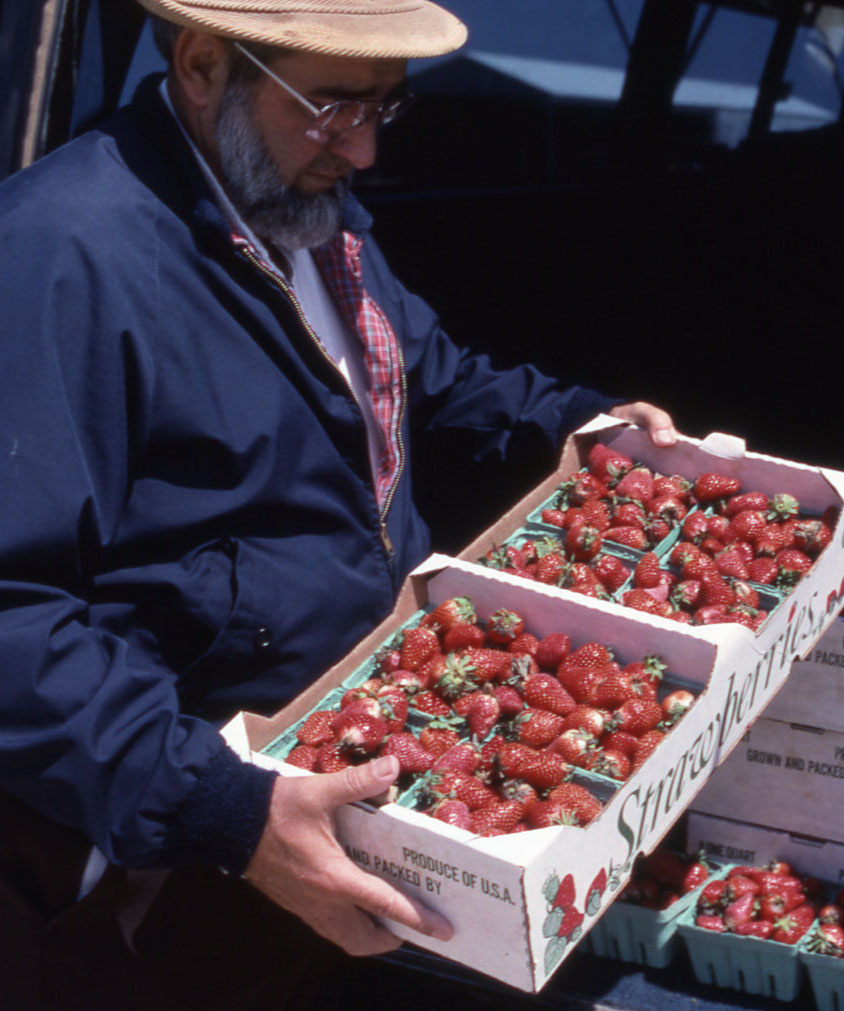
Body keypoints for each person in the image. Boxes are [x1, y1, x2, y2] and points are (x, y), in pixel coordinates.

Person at [0, 0, 676, 1006]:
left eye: (385, 108)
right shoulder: (60, 253)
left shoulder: (295, 209)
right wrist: (222, 812)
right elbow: (13, 612)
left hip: (319, 792)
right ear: (200, 66)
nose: (360, 149)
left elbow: (417, 377)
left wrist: (579, 427)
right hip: (148, 858)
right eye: (332, 105)